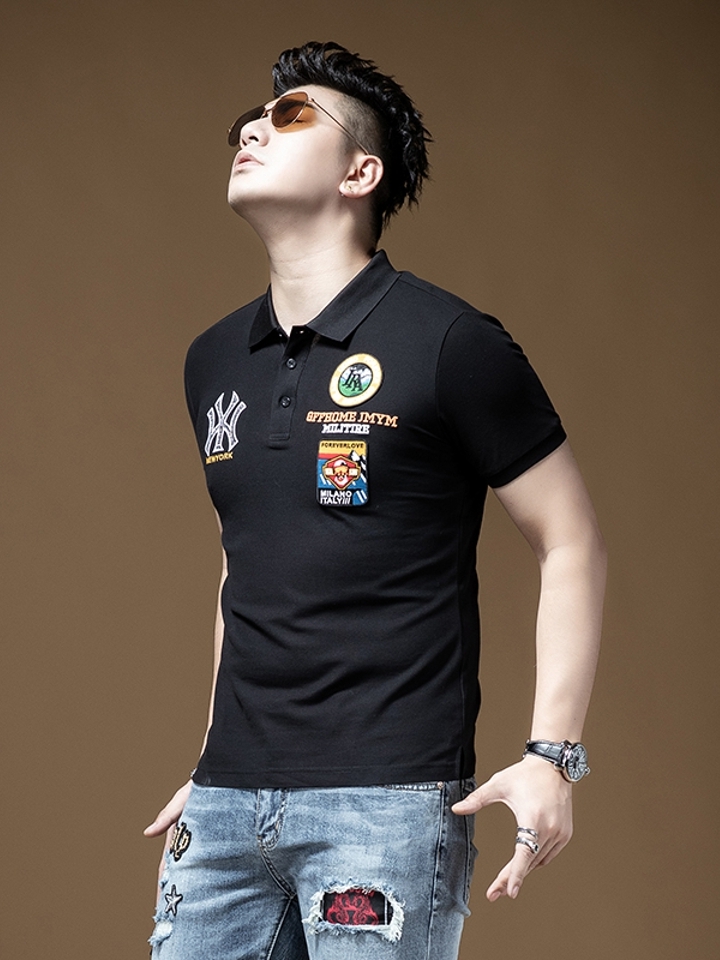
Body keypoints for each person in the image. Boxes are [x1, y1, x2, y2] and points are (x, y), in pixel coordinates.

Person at [144, 40, 606, 960]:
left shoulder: (450, 342)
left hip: (384, 806)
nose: (250, 131)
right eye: (247, 121)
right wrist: (214, 759)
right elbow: (247, 564)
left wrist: (553, 758)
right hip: (226, 807)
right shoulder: (212, 361)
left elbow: (571, 542)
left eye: (289, 117)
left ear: (361, 173)